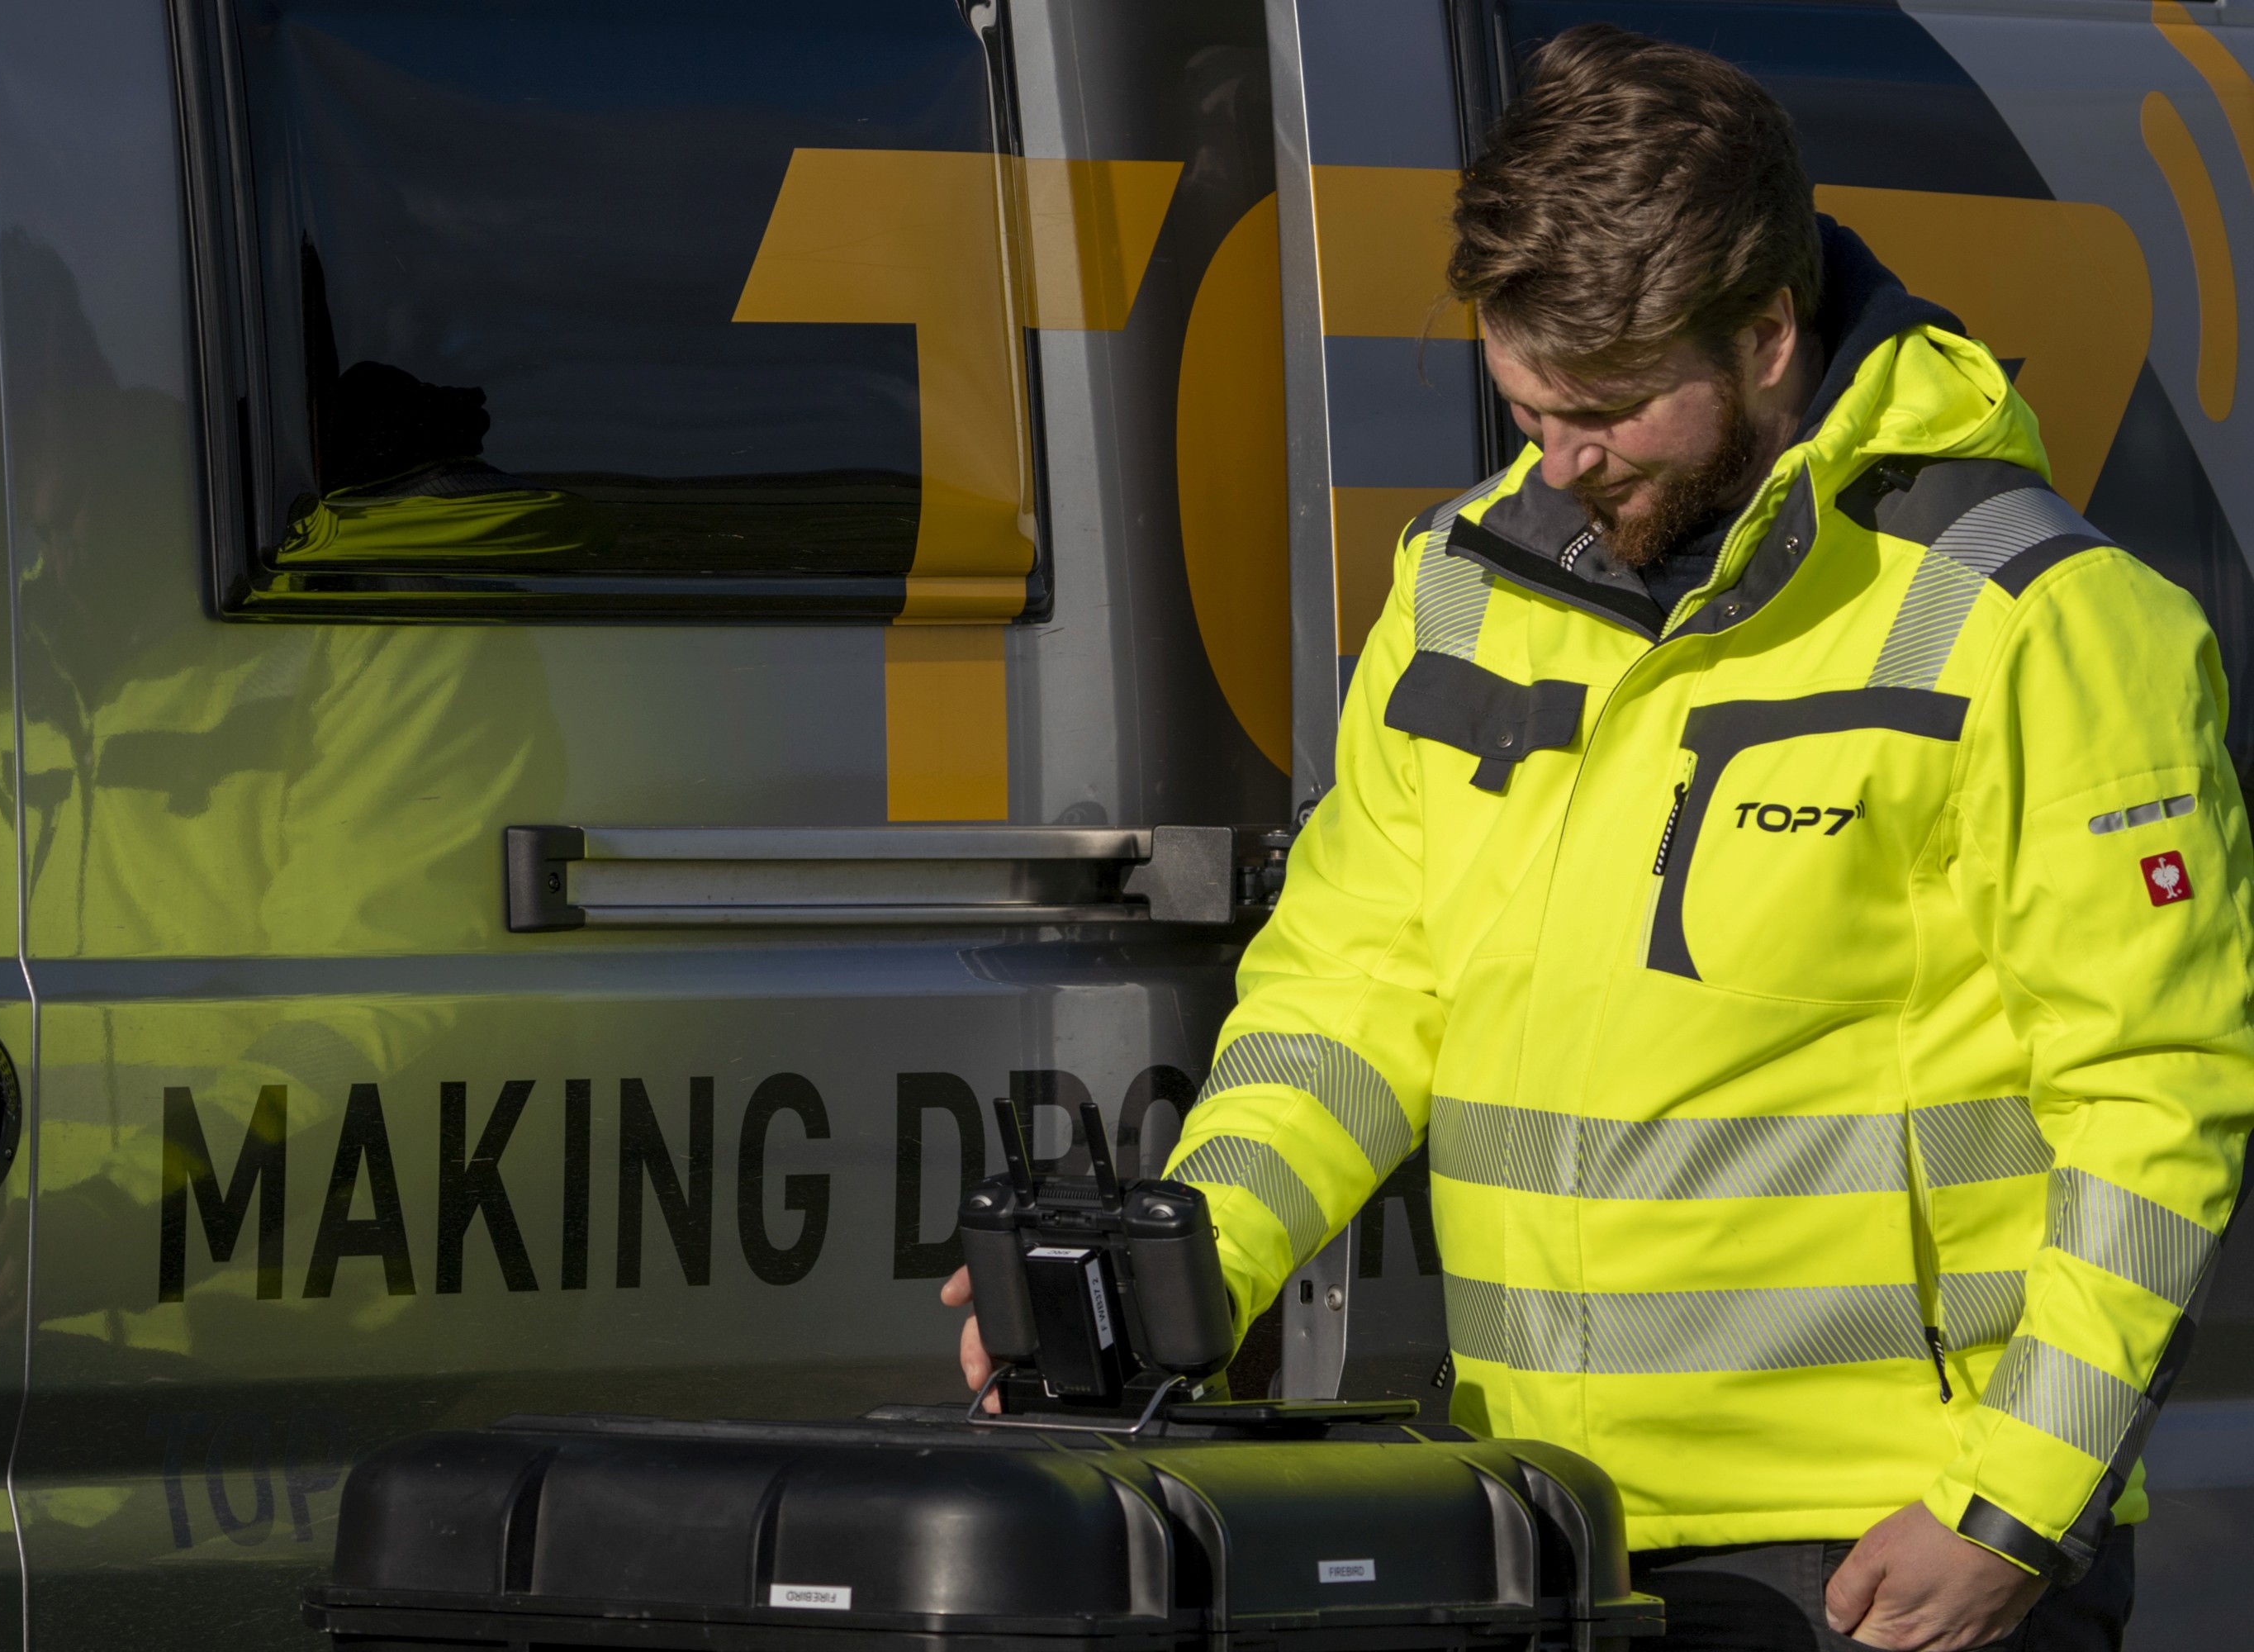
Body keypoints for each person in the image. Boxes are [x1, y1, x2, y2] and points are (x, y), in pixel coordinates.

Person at [946, 24, 2250, 1650]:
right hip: (1541, 1520)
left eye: (1610, 412)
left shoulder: (2040, 625)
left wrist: (2016, 1510)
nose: (1558, 460)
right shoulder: (1466, 587)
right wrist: (1176, 1277)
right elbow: (1356, 998)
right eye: (1524, 406)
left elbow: (2152, 1111)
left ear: (1770, 333)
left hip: (1882, 1551)